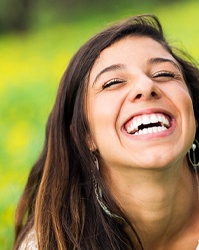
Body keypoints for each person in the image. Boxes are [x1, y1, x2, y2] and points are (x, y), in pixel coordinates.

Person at [14, 14, 199, 250]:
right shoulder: (50, 243)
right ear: (84, 135)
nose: (146, 86)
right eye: (113, 82)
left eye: (164, 74)